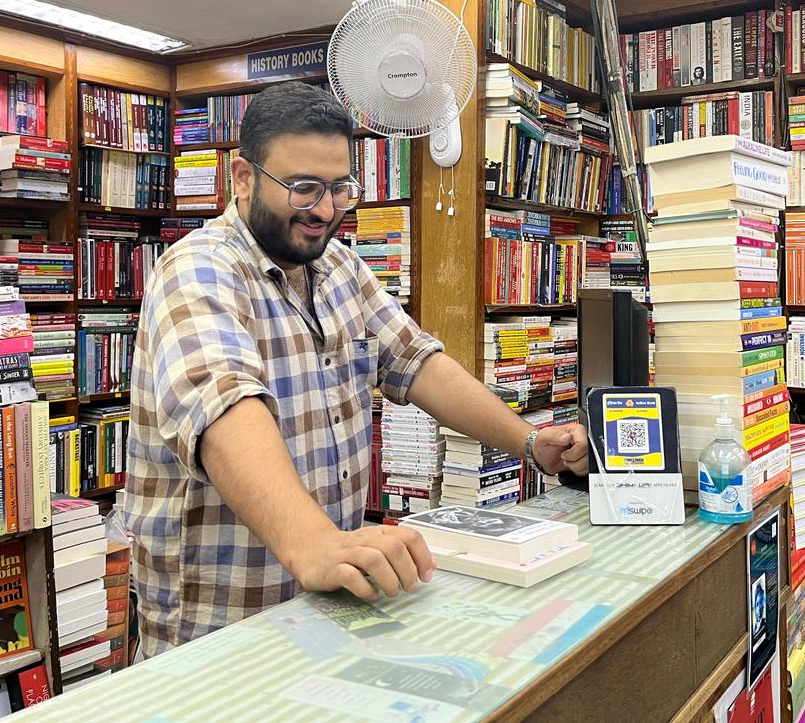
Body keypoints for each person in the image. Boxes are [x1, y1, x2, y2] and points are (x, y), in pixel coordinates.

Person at [127, 82, 590, 658]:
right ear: (243, 178)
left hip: (323, 611)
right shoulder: (197, 268)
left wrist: (530, 442)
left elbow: (419, 363)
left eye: (339, 188)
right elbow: (223, 406)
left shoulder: (339, 264)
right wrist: (314, 542)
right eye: (303, 188)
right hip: (220, 625)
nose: (325, 210)